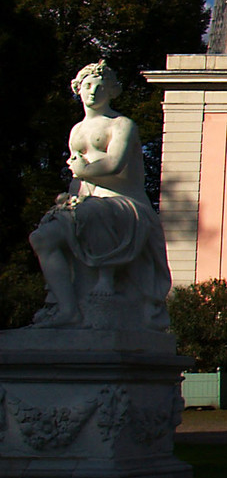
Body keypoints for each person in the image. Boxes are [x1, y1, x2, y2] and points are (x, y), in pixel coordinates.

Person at [29, 61, 172, 329]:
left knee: (92, 211)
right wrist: (69, 197)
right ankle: (67, 308)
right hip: (87, 200)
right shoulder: (77, 131)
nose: (93, 92)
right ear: (78, 89)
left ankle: (106, 276)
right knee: (42, 237)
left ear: (112, 91)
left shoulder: (122, 125)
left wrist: (85, 171)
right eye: (88, 86)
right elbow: (77, 179)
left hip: (125, 204)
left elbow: (115, 164)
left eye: (100, 87)